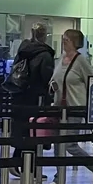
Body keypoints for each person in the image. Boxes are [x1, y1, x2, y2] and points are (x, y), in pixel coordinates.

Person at [8, 20, 56, 173]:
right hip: (36, 98)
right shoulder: (45, 54)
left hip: (20, 95)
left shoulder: (23, 50)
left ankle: (17, 162)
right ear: (45, 35)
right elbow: (47, 77)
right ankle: (30, 169)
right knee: (34, 132)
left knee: (23, 130)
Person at [48, 27, 93, 168]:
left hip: (74, 108)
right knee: (57, 143)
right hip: (59, 108)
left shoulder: (81, 61)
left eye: (66, 40)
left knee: (70, 145)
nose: (63, 42)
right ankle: (58, 178)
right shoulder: (61, 59)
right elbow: (54, 78)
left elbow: (92, 82)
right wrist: (52, 86)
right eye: (63, 39)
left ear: (74, 42)